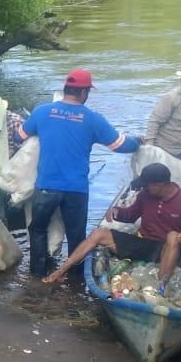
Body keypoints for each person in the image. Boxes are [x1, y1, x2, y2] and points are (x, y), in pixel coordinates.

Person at [22, 69, 142, 277]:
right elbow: (119, 145)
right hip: (76, 189)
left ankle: (37, 274)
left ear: (65, 89)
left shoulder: (42, 112)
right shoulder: (92, 119)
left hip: (46, 185)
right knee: (76, 236)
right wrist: (138, 142)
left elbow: (21, 134)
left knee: (38, 230)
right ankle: (75, 278)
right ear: (84, 92)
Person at [44, 163, 181, 286]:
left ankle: (161, 285)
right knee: (98, 233)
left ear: (160, 185)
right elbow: (131, 215)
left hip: (166, 250)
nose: (144, 188)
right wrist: (117, 212)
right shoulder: (145, 195)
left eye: (147, 184)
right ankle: (60, 271)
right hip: (142, 244)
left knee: (173, 236)